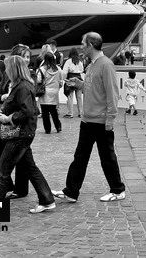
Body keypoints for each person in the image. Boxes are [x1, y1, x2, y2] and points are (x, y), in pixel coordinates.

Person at [53, 32, 126, 203]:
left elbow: (112, 94)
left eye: (83, 43)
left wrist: (110, 119)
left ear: (90, 45)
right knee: (80, 157)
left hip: (101, 121)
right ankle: (71, 191)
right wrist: (80, 84)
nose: (80, 46)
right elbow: (94, 89)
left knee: (107, 158)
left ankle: (117, 190)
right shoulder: (92, 65)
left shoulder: (106, 65)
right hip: (88, 120)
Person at [0, 55, 56, 214]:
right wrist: (5, 111)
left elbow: (27, 111)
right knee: (30, 168)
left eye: (7, 68)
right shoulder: (20, 85)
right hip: (23, 133)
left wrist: (8, 118)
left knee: (2, 171)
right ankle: (47, 199)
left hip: (20, 134)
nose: (5, 70)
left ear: (13, 69)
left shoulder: (23, 87)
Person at [0, 44, 32, 199]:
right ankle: (5, 184)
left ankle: (20, 189)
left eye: (28, 57)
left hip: (18, 122)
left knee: (23, 158)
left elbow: (28, 106)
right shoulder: (7, 75)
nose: (26, 60)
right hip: (5, 121)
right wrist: (4, 97)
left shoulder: (28, 77)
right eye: (24, 56)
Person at [36, 52, 64, 134]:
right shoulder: (58, 69)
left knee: (45, 113)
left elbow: (38, 80)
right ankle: (58, 126)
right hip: (54, 92)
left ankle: (47, 129)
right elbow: (61, 82)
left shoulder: (42, 69)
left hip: (45, 93)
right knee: (54, 111)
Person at [62, 47, 85, 118]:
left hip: (71, 78)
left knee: (70, 96)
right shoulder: (80, 62)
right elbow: (82, 70)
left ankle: (70, 113)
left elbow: (64, 71)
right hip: (78, 78)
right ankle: (80, 113)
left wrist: (64, 79)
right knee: (79, 97)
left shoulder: (68, 61)